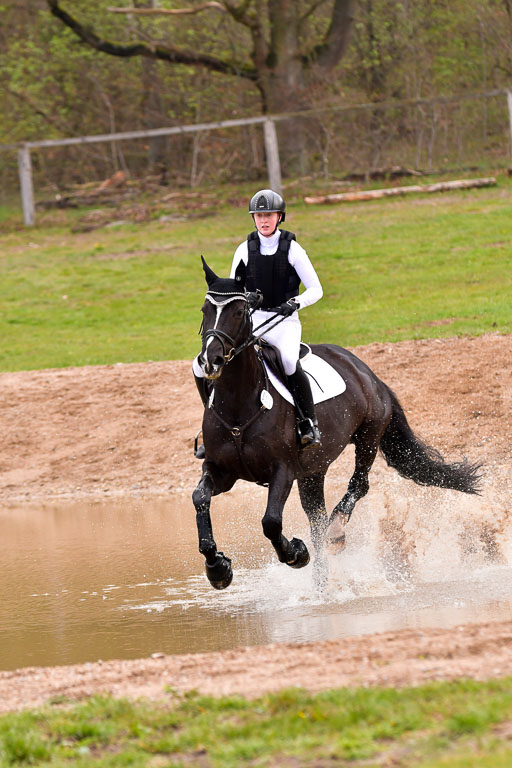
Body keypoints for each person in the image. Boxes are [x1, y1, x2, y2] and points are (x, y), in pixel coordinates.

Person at [193, 188, 323, 455]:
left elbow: (316, 290)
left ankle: (307, 422)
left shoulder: (293, 249)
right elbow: (233, 292)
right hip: (252, 321)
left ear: (279, 217)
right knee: (205, 363)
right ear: (254, 218)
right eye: (259, 215)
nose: (264, 220)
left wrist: (294, 303)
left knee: (288, 360)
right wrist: (246, 298)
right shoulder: (244, 249)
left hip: (284, 321)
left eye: (269, 215)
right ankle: (212, 424)